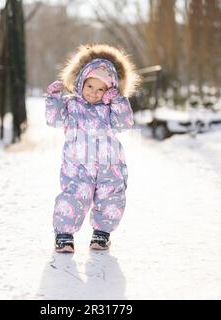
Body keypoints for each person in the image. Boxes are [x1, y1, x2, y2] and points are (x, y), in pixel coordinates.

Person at [44, 44, 140, 253]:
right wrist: (53, 99)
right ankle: (64, 235)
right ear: (81, 83)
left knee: (111, 196)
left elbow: (125, 123)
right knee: (73, 196)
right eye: (90, 87)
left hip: (109, 165)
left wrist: (117, 100)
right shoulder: (72, 105)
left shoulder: (110, 108)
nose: (94, 93)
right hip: (78, 165)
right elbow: (53, 120)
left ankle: (101, 234)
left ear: (109, 90)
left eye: (101, 89)